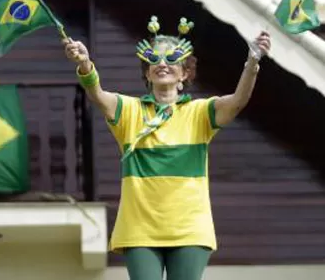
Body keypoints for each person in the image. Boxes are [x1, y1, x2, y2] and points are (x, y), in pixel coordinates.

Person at [63, 15, 271, 280]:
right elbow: (98, 95)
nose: (162, 64)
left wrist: (252, 61)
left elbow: (238, 100)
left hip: (189, 228)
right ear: (146, 72)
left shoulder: (199, 112)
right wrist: (85, 64)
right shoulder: (129, 110)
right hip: (140, 229)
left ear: (185, 73)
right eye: (154, 59)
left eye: (172, 59)